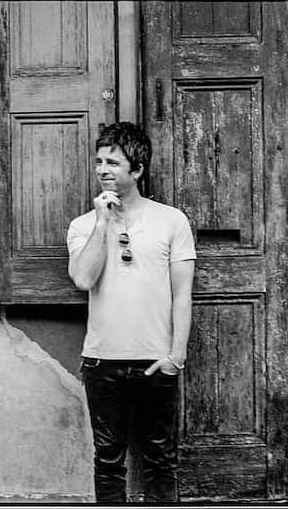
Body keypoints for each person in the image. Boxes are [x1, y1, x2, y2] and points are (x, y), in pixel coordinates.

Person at [66, 122, 196, 502]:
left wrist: (177, 355)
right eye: (98, 161)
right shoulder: (83, 225)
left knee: (160, 458)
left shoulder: (172, 221)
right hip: (102, 361)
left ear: (136, 170)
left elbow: (182, 294)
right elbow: (84, 279)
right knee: (108, 460)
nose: (102, 169)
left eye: (112, 163)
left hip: (156, 359)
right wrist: (104, 222)